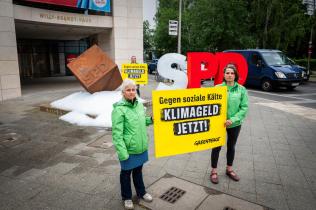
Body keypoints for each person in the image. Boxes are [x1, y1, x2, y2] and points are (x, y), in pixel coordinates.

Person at [111, 79, 153, 209]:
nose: (131, 92)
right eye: (128, 90)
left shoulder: (139, 105)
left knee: (138, 171)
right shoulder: (119, 110)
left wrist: (150, 120)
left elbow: (141, 121)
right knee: (126, 174)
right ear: (123, 92)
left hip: (140, 146)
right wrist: (123, 153)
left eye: (133, 89)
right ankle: (127, 197)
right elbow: (117, 134)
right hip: (128, 149)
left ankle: (141, 192)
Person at [210, 64, 249, 184]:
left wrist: (232, 119)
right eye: (227, 73)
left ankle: (229, 169)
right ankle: (214, 171)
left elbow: (244, 108)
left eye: (232, 73)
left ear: (235, 75)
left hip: (234, 124)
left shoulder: (241, 89)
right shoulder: (217, 88)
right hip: (219, 124)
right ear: (224, 75)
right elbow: (209, 104)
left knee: (231, 146)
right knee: (216, 147)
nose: (230, 75)